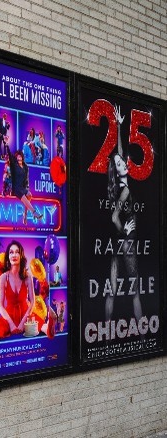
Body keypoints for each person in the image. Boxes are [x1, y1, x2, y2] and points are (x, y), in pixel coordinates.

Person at [0, 240, 56, 348]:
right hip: (9, 315)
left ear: (21, 255)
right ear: (8, 256)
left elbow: (32, 302)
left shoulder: (27, 277)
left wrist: (22, 323)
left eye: (17, 252)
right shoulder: (3, 277)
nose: (14, 255)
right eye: (11, 252)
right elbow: (1, 306)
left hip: (26, 314)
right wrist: (11, 324)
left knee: (38, 322)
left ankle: (49, 328)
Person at [105, 106, 142, 323]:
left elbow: (118, 154)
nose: (123, 162)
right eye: (119, 164)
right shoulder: (125, 189)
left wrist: (119, 126)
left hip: (116, 243)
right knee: (135, 290)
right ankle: (142, 339)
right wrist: (125, 230)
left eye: (123, 161)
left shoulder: (120, 183)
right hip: (126, 241)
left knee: (112, 288)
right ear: (117, 170)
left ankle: (107, 335)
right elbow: (113, 217)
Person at [11, 150, 43, 225]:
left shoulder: (25, 167)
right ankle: (34, 212)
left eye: (20, 156)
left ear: (22, 157)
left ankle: (25, 213)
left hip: (22, 187)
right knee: (23, 197)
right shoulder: (15, 166)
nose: (19, 158)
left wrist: (27, 188)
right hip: (16, 188)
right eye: (17, 157)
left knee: (29, 195)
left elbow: (27, 179)